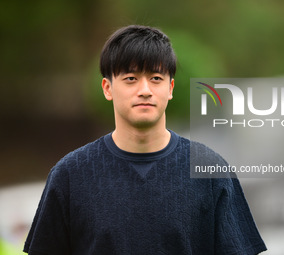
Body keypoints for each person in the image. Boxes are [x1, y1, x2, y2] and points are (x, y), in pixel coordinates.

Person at [23, 25, 267, 255]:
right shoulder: (70, 175)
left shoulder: (211, 171)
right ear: (107, 88)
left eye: (156, 78)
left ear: (170, 88)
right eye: (131, 78)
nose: (145, 90)